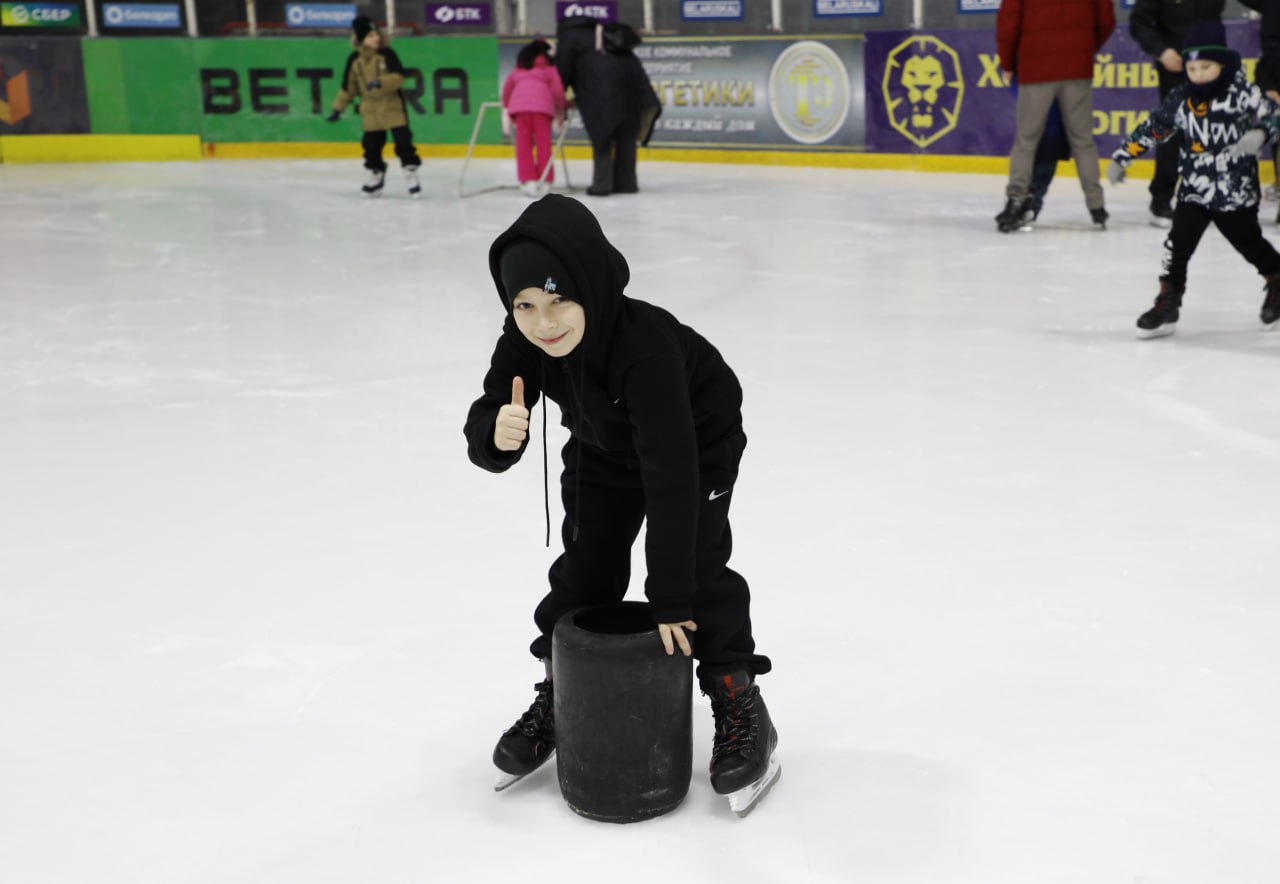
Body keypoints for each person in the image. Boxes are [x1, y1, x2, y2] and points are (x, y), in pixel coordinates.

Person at [464, 194, 779, 817]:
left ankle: (738, 700)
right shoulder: (524, 337)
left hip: (696, 444)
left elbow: (672, 478)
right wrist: (493, 435)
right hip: (602, 443)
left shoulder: (644, 347)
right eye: (524, 305)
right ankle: (559, 690)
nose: (543, 322)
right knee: (585, 566)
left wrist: (670, 596)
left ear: (589, 286)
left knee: (697, 568)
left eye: (558, 300)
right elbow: (494, 407)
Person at [1107, 20, 1280, 337]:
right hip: (1194, 189)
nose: (1198, 74)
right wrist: (1123, 156)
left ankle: (1277, 277)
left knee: (1248, 242)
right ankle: (1168, 301)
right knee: (1177, 246)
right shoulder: (1180, 97)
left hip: (1234, 191)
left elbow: (1275, 114)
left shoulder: (1243, 93)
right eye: (1192, 68)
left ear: (1222, 65)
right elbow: (1154, 127)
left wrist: (1261, 133)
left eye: (1206, 67)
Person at [1129, 0, 1263, 227]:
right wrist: (1161, 50)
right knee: (1174, 132)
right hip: (1177, 67)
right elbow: (1138, 22)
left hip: (1213, 65)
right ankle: (1161, 198)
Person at [994, 0, 1114, 233]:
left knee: (1026, 141)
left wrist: (1007, 64)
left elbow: (1008, 23)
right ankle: (1097, 207)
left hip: (1035, 68)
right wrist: (1083, 49)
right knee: (1083, 141)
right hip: (1077, 68)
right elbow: (1106, 20)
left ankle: (1016, 200)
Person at [554, 15, 661, 196]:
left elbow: (562, 70)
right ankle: (627, 184)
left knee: (602, 137)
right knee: (626, 137)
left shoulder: (570, 37)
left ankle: (602, 185)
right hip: (635, 87)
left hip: (600, 90)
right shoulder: (605, 32)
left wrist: (559, 97)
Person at [325, 16, 422, 198]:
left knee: (404, 142)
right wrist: (338, 109)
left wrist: (380, 82)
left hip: (392, 106)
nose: (376, 38)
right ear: (361, 38)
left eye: (376, 33)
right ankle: (376, 175)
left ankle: (410, 172)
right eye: (370, 35)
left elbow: (399, 76)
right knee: (371, 146)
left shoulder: (387, 54)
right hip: (370, 109)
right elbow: (348, 87)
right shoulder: (354, 60)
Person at [501, 38, 567, 198]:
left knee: (523, 146)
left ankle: (528, 179)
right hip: (542, 110)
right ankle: (545, 179)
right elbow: (558, 91)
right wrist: (562, 105)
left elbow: (507, 90)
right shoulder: (549, 70)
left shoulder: (518, 70)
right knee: (543, 145)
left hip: (520, 110)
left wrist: (507, 105)